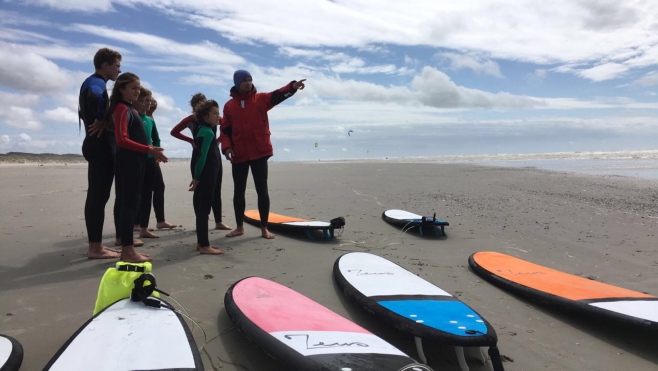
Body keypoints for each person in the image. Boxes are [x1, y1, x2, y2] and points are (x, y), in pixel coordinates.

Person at [219, 70, 306, 239]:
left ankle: (264, 228)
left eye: (250, 80)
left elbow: (278, 95)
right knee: (239, 191)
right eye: (244, 80)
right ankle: (239, 227)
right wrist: (227, 147)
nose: (248, 83)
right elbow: (225, 130)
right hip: (239, 154)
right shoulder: (229, 106)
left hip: (259, 152)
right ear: (237, 83)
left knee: (262, 190)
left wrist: (292, 87)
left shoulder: (261, 99)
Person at [102, 72, 167, 262]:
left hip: (134, 162)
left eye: (138, 87)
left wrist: (150, 150)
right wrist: (149, 149)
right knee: (128, 206)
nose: (137, 91)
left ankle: (127, 248)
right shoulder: (122, 108)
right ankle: (127, 251)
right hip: (128, 163)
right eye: (133, 88)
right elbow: (122, 139)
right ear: (121, 89)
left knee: (129, 204)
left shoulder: (131, 109)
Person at [79, 48, 126, 259]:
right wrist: (101, 117)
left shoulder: (93, 81)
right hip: (100, 147)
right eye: (116, 65)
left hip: (97, 145)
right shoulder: (96, 82)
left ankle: (96, 245)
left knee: (98, 196)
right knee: (98, 197)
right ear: (105, 65)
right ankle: (95, 248)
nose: (119, 69)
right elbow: (95, 96)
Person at [172, 93, 231, 231]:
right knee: (199, 191)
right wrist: (190, 140)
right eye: (196, 106)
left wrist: (219, 140)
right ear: (193, 108)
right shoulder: (190, 120)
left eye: (202, 104)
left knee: (216, 189)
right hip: (199, 154)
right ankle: (201, 221)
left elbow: (227, 126)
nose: (199, 107)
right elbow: (174, 132)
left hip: (214, 154)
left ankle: (218, 221)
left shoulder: (214, 118)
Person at [189, 100, 224, 255]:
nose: (218, 116)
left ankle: (202, 243)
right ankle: (203, 245)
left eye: (218, 112)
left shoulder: (206, 129)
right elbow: (201, 157)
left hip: (208, 174)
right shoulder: (208, 132)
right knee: (203, 210)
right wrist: (196, 178)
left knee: (203, 209)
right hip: (207, 175)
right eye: (215, 113)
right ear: (205, 116)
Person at [146, 98, 177, 230]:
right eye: (148, 102)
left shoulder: (150, 118)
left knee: (159, 187)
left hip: (152, 157)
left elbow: (156, 138)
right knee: (144, 191)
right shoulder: (136, 115)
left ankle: (160, 220)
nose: (151, 105)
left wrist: (157, 154)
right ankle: (138, 224)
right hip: (142, 158)